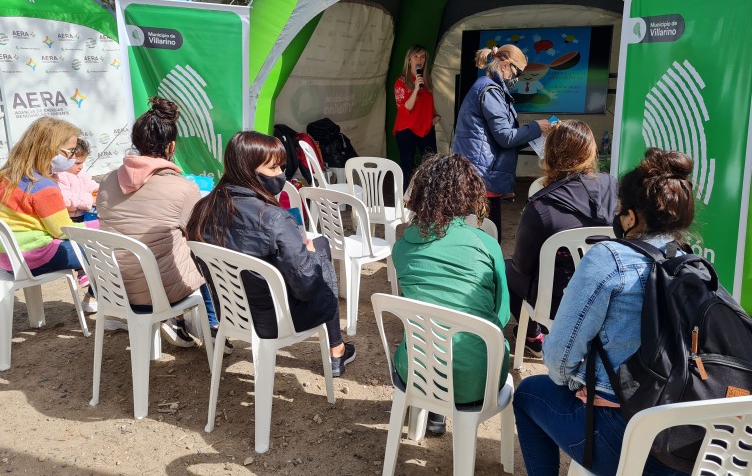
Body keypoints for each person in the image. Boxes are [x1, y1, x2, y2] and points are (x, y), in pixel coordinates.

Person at [513, 148, 694, 476]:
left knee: (528, 394)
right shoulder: (695, 264)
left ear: (631, 217)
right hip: (688, 441)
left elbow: (558, 359)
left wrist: (584, 384)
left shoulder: (609, 258)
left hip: (625, 438)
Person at [186, 131, 356, 377]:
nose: (280, 175)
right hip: (275, 319)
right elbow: (307, 287)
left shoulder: (203, 209)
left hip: (231, 312)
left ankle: (336, 348)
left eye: (281, 167)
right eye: (273, 167)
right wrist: (309, 255)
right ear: (247, 170)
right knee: (319, 249)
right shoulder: (274, 218)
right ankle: (336, 349)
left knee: (312, 249)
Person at [392, 152, 510, 435]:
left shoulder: (402, 247)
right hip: (479, 378)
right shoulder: (486, 245)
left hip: (418, 372)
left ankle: (433, 410)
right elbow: (501, 314)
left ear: (420, 193)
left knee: (431, 332)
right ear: (468, 195)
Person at [96, 97, 227, 351]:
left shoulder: (108, 181)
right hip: (159, 293)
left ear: (136, 143)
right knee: (202, 255)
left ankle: (179, 322)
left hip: (114, 287)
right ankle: (212, 327)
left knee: (169, 243)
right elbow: (200, 237)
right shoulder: (183, 188)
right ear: (172, 146)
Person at [506, 120, 617, 357]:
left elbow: (522, 266)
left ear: (550, 153)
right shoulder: (613, 187)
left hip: (557, 302)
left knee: (504, 270)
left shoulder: (540, 207)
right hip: (608, 292)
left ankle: (534, 336)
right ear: (590, 151)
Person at [453, 44, 551, 240]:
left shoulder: (489, 88)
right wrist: (535, 128)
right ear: (505, 64)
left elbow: (503, 138)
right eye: (518, 72)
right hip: (481, 177)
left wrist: (535, 134)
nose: (518, 77)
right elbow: (505, 137)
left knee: (484, 235)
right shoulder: (490, 91)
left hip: (481, 175)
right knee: (486, 238)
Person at [0, 117, 94, 305]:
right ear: (49, 149)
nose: (73, 157)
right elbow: (64, 230)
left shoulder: (7, 176)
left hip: (7, 258)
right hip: (34, 257)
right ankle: (100, 301)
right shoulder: (43, 186)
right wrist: (102, 225)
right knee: (105, 249)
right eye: (70, 151)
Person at [393, 44, 440, 187]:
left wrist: (435, 116)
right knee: (407, 166)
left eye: (422, 57)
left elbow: (427, 104)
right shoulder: (401, 81)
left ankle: (428, 196)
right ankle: (406, 197)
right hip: (407, 129)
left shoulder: (427, 80)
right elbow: (405, 108)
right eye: (416, 56)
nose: (420, 60)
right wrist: (415, 90)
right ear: (409, 60)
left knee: (432, 164)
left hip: (425, 128)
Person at [56, 137, 99, 223]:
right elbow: (66, 201)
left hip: (82, 215)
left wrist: (99, 190)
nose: (81, 167)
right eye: (77, 163)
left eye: (82, 163)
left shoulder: (81, 174)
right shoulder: (60, 176)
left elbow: (90, 184)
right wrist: (90, 200)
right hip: (68, 217)